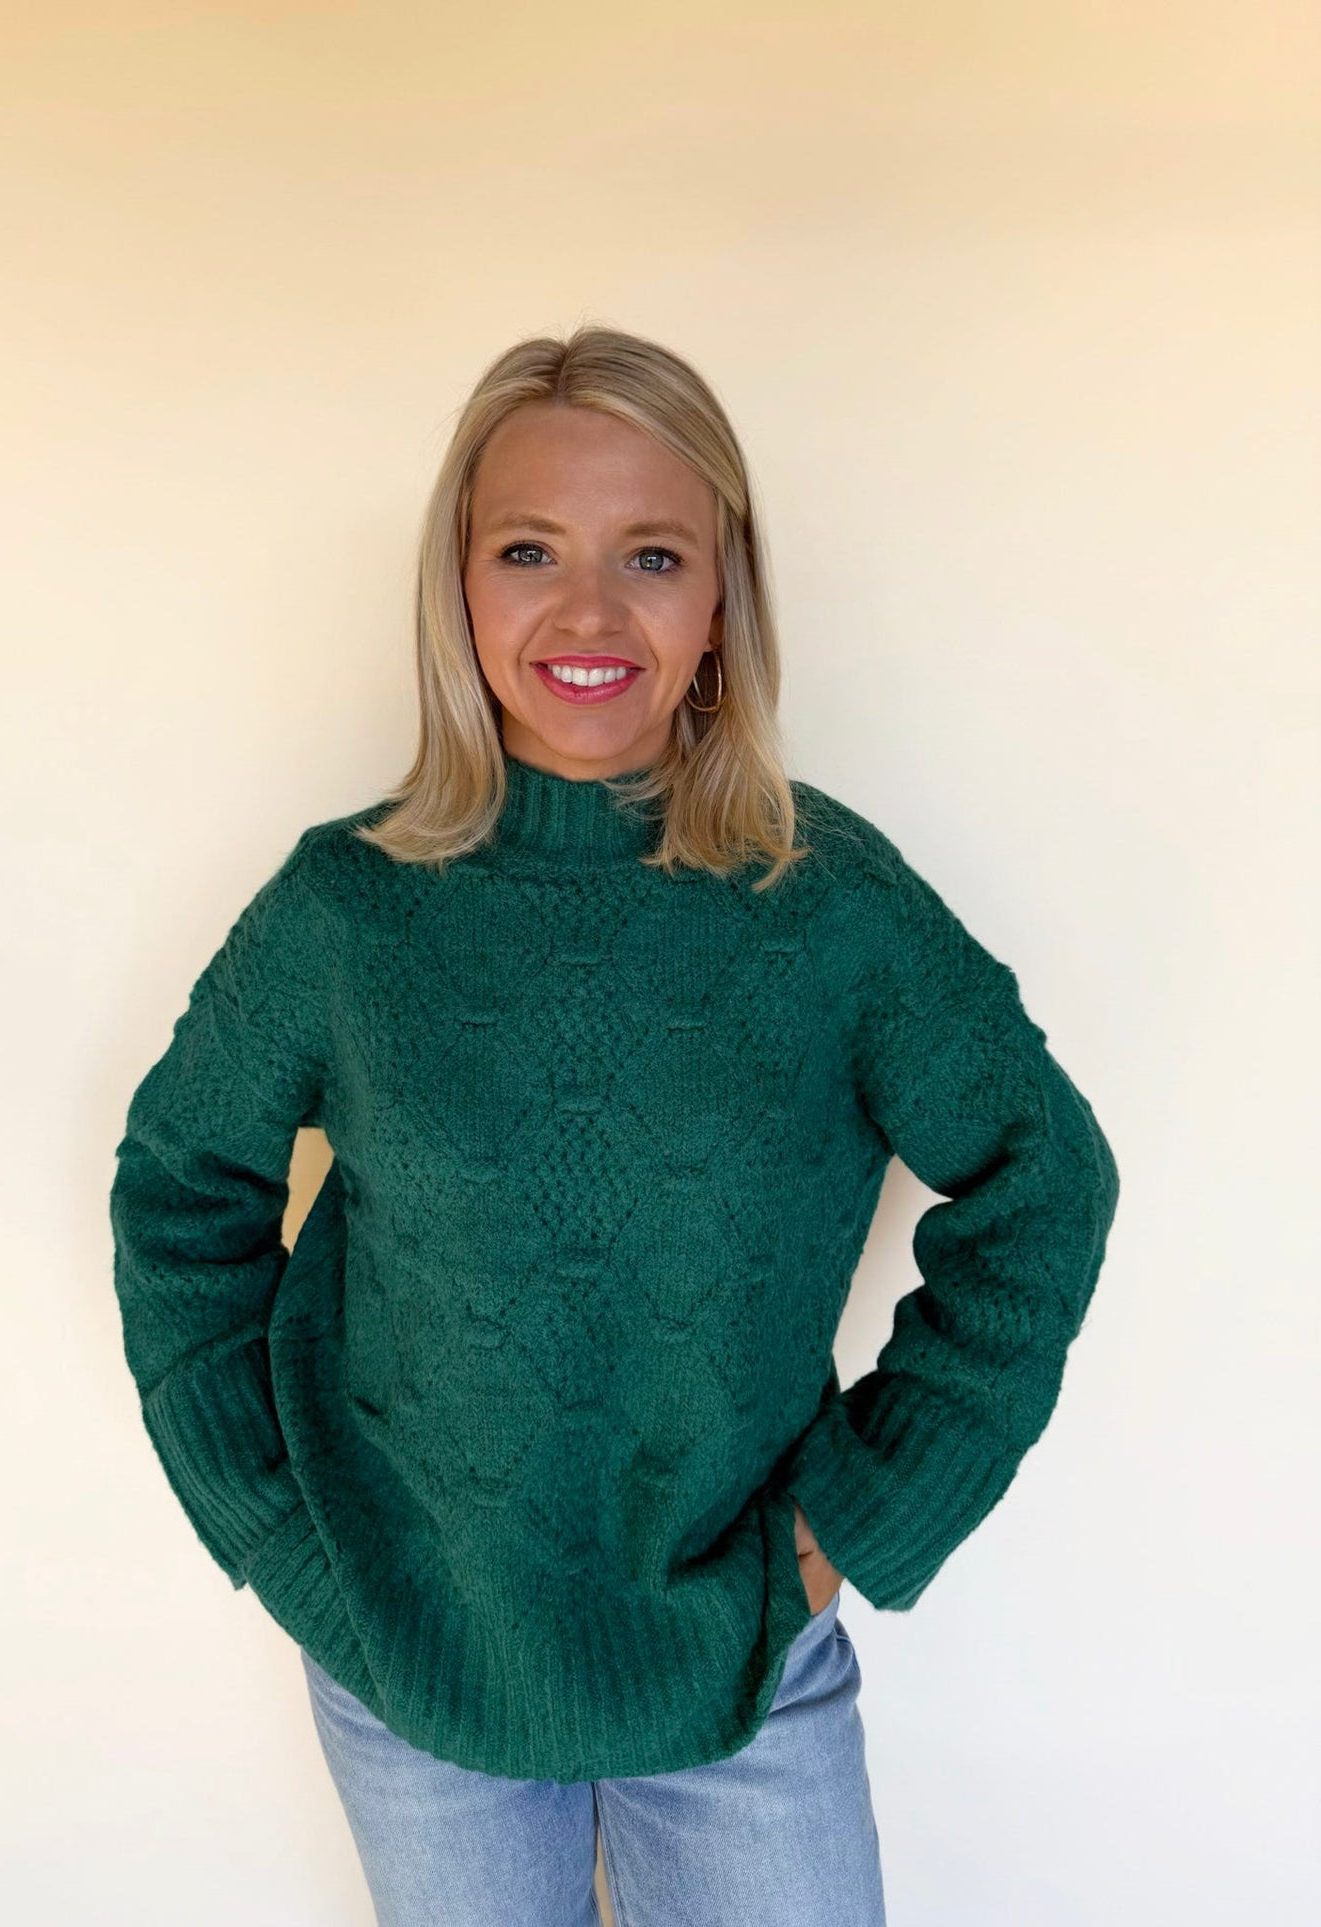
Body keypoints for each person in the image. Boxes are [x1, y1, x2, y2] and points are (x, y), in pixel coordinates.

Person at [109, 325, 1120, 1926]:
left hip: (741, 1659)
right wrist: (280, 1537)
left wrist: (858, 1520)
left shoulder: (827, 905)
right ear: (457, 588)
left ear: (722, 601)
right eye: (528, 551)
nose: (587, 614)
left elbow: (1041, 1182)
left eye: (652, 555)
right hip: (411, 1662)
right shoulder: (345, 911)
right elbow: (179, 1194)